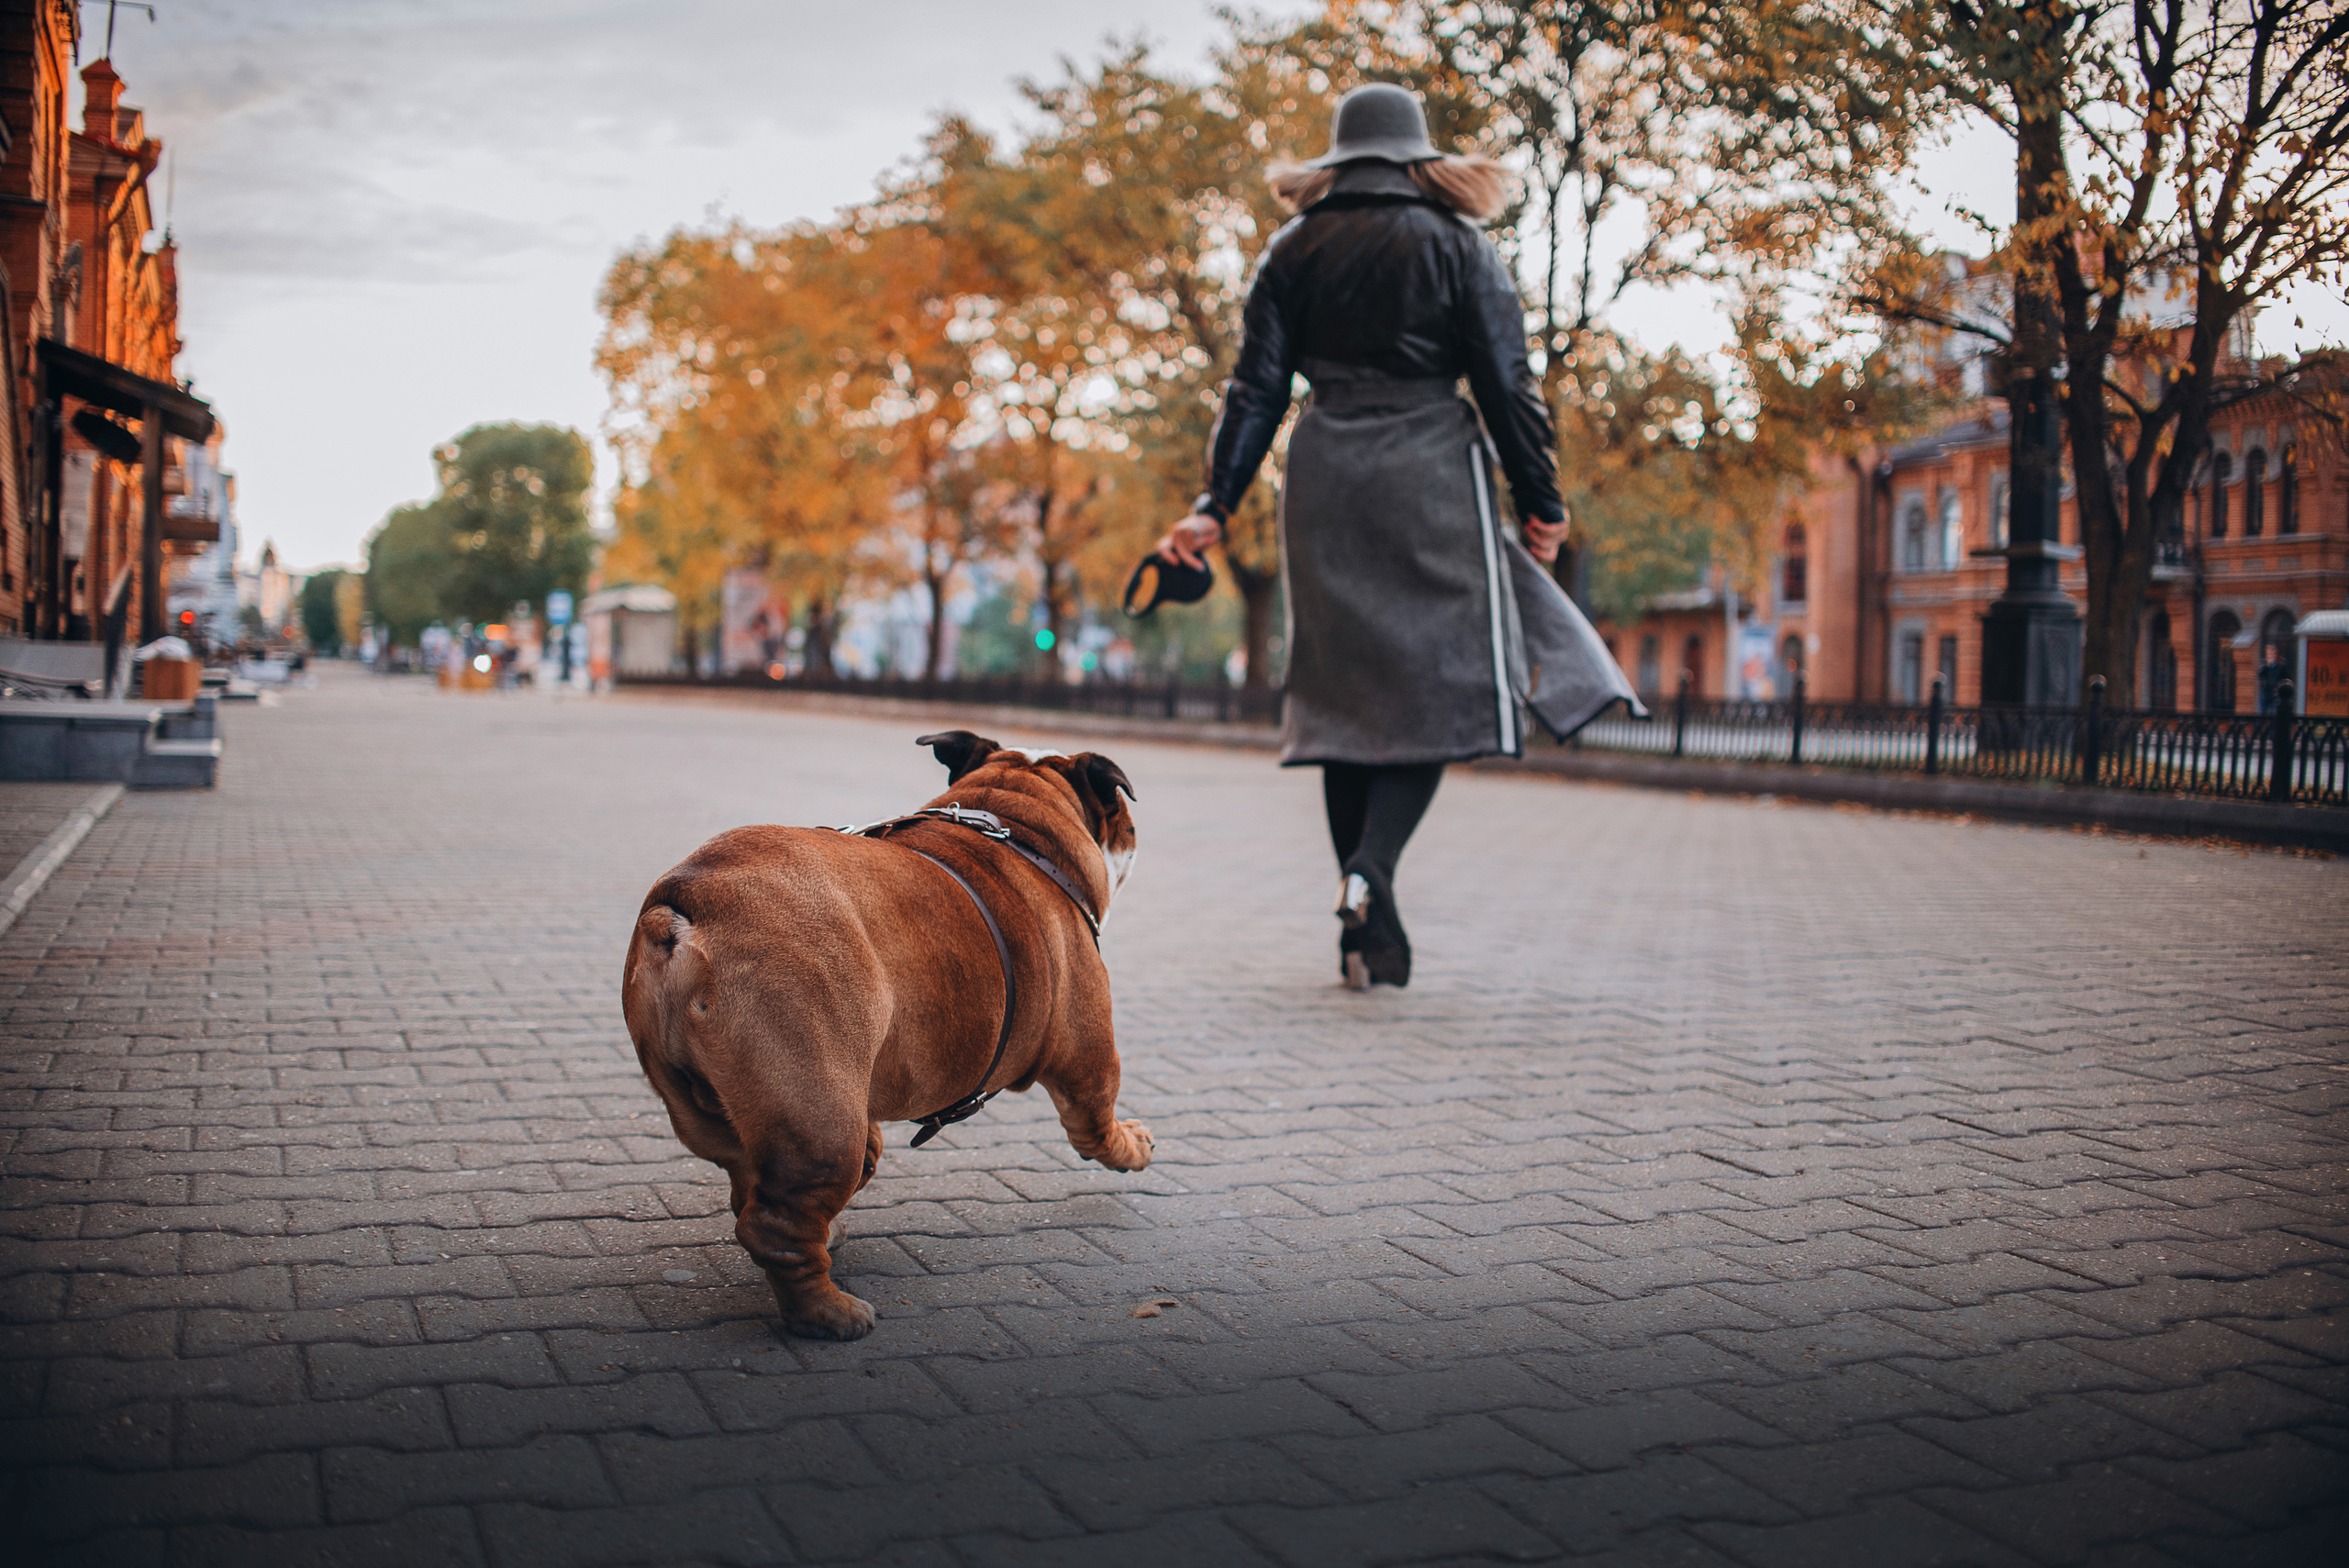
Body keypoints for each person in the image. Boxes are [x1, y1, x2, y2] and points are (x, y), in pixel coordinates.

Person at [1154, 83, 1636, 991]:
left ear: (1340, 161)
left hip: (1326, 471)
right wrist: (1541, 496)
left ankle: (1359, 927)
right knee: (1430, 685)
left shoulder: (1290, 250)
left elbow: (1253, 391)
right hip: (1429, 474)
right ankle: (1372, 871)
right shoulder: (1459, 245)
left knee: (1345, 697)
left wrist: (1215, 503)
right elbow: (1507, 384)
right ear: (1416, 158)